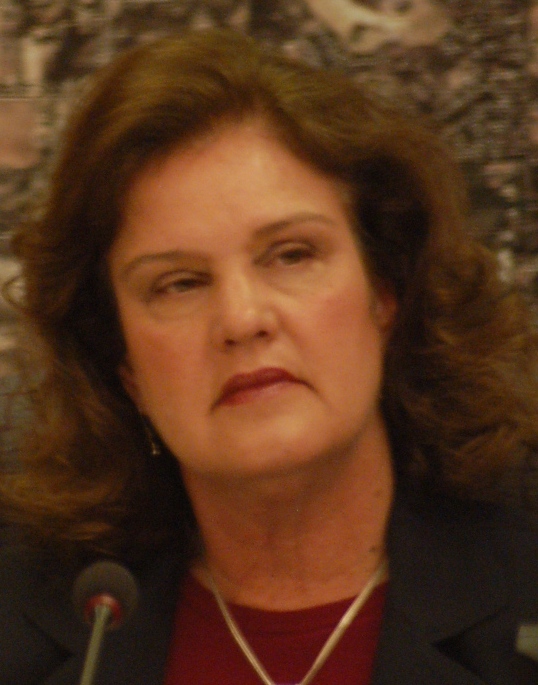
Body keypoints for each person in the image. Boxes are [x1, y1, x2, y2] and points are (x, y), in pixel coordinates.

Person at [1, 28, 538, 685]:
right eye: (179, 284)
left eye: (291, 254)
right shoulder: (31, 622)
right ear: (124, 363)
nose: (242, 319)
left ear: (385, 293)